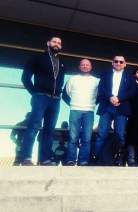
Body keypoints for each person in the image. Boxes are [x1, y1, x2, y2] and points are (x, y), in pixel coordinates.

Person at [20, 36, 65, 166]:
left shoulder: (62, 63)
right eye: (54, 41)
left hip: (55, 100)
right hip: (40, 96)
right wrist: (35, 93)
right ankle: (26, 158)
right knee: (34, 126)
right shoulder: (37, 58)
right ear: (48, 43)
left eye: (59, 43)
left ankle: (45, 159)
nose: (56, 44)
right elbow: (25, 78)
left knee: (49, 130)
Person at [92, 56, 136, 166]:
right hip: (107, 106)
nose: (118, 63)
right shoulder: (105, 74)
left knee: (120, 134)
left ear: (125, 64)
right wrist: (111, 97)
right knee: (102, 134)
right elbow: (101, 89)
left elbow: (132, 92)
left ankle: (118, 160)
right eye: (116, 61)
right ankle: (97, 159)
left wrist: (119, 98)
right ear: (112, 63)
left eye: (121, 62)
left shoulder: (130, 77)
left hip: (121, 107)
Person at [62, 59, 99, 166]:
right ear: (79, 67)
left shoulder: (96, 81)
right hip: (75, 110)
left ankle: (83, 161)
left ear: (91, 67)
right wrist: (73, 104)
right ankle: (71, 160)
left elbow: (100, 96)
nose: (85, 66)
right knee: (73, 137)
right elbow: (65, 95)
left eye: (87, 65)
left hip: (89, 112)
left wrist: (92, 105)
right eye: (83, 64)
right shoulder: (73, 79)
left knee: (86, 138)